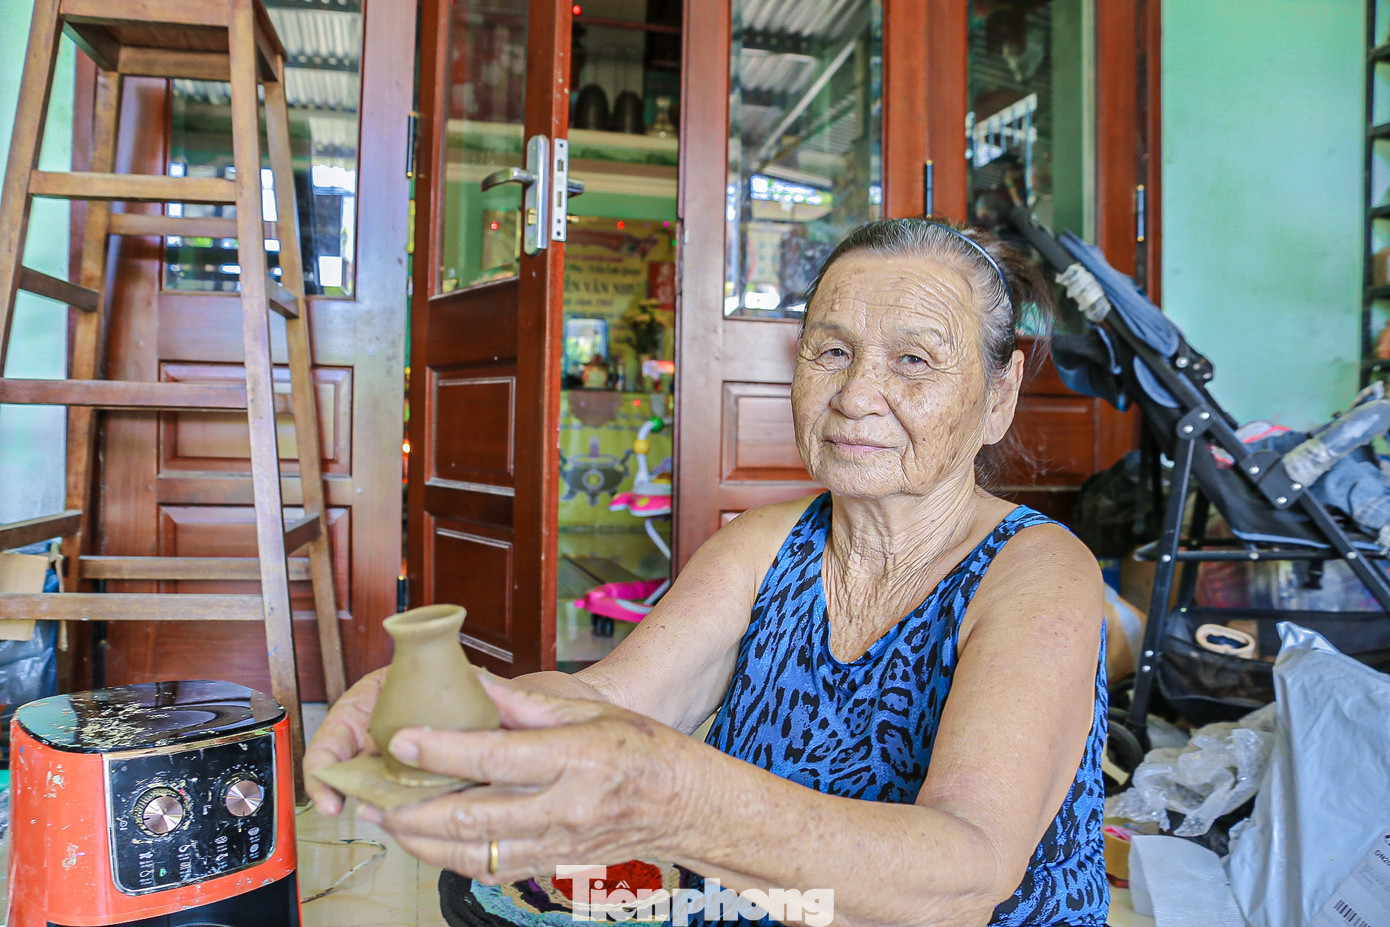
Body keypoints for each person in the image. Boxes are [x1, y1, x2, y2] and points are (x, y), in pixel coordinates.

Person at [305, 217, 1109, 927]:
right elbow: (608, 699)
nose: (858, 394)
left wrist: (676, 798)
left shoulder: (1036, 573)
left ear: (999, 395)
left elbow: (966, 876)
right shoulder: (767, 544)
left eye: (913, 360)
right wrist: (461, 712)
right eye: (832, 350)